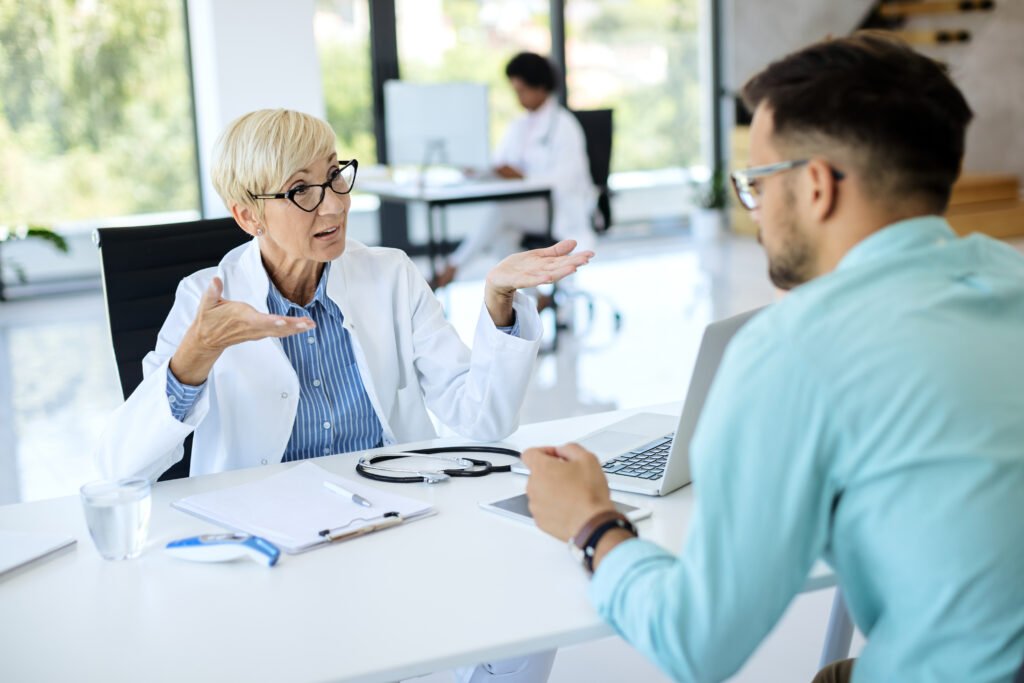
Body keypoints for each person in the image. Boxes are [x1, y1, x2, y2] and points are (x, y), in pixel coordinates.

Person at [523, 32, 1024, 683]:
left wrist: (591, 522)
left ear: (815, 186)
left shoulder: (798, 347)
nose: (754, 213)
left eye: (754, 184)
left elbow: (696, 643)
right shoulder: (1008, 275)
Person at [95, 109, 592, 482]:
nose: (334, 205)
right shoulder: (204, 300)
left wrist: (498, 299)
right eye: (301, 191)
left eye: (334, 175)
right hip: (267, 528)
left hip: (393, 507)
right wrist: (194, 357)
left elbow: (484, 419)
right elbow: (121, 466)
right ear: (249, 216)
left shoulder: (390, 275)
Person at [433, 52, 595, 291]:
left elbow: (567, 181)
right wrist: (478, 170)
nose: (518, 99)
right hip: (527, 207)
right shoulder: (519, 125)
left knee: (499, 211)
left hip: (560, 207)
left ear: (540, 87)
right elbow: (501, 164)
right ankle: (535, 297)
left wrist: (524, 177)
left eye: (522, 91)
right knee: (502, 237)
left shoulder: (564, 126)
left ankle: (450, 269)